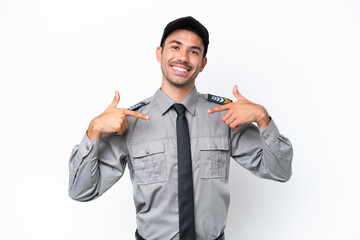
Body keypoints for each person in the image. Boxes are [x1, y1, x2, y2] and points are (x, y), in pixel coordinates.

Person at [68, 16, 293, 240]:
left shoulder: (225, 116)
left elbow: (280, 172)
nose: (183, 58)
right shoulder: (130, 121)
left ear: (203, 63)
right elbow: (81, 191)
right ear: (160, 53)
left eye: (194, 51)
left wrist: (264, 119)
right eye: (175, 47)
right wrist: (94, 131)